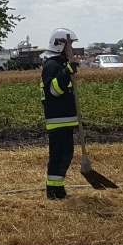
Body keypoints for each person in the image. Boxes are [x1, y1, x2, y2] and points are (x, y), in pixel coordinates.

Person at [40, 27, 79, 200]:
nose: (71, 49)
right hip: (58, 121)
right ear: (60, 45)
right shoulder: (52, 65)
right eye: (69, 45)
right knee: (59, 156)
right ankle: (54, 192)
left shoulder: (59, 64)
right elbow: (54, 91)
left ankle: (58, 190)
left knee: (65, 155)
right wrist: (67, 72)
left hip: (65, 120)